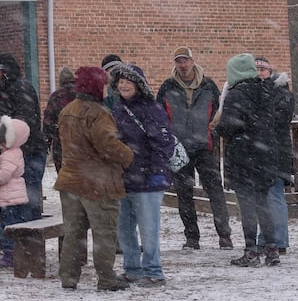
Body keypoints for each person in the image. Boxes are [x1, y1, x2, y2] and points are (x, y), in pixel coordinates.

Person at [53, 65, 135, 292]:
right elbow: (108, 145)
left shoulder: (68, 109)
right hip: (98, 182)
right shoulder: (97, 113)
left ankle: (68, 276)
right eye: (105, 84)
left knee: (74, 233)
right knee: (104, 232)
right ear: (97, 86)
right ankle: (106, 278)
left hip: (70, 180)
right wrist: (129, 155)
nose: (108, 89)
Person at [157, 46, 234, 250]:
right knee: (184, 195)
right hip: (179, 149)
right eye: (178, 61)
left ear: (192, 61)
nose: (182, 65)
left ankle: (224, 235)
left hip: (205, 147)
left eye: (185, 61)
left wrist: (212, 134)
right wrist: (168, 139)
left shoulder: (208, 86)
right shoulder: (167, 86)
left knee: (215, 193)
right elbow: (160, 116)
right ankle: (192, 237)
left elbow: (219, 113)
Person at [109, 62, 175, 286]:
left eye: (128, 81)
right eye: (120, 81)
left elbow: (164, 143)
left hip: (147, 180)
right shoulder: (117, 109)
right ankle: (132, 269)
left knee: (149, 230)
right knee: (125, 229)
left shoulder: (151, 109)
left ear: (139, 84)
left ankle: (154, 271)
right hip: (124, 179)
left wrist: (156, 171)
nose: (124, 85)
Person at [217, 53, 279, 267]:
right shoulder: (266, 91)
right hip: (265, 155)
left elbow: (229, 125)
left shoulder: (236, 94)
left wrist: (219, 129)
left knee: (247, 205)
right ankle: (272, 248)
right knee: (263, 203)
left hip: (243, 156)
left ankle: (251, 250)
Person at [0, 53, 47, 218]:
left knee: (26, 202)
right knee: (13, 201)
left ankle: (26, 240)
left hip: (28, 153)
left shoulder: (20, 90)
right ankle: (16, 238)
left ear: (6, 71)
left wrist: (5, 142)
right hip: (18, 154)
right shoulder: (4, 94)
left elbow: (24, 124)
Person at [0, 115, 32, 269]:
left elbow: (4, 175)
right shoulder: (15, 152)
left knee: (8, 227)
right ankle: (19, 252)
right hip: (14, 197)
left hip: (8, 198)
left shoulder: (9, 155)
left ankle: (10, 255)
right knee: (15, 224)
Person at [261, 61, 295, 256]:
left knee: (275, 196)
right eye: (256, 69)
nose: (260, 73)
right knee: (263, 198)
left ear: (270, 72)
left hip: (276, 153)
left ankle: (279, 240)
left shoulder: (282, 94)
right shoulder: (259, 93)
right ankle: (265, 238)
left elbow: (276, 120)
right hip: (263, 152)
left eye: (263, 69)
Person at [42, 66, 76, 175]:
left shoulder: (56, 97)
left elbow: (48, 121)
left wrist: (48, 140)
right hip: (80, 142)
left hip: (61, 141)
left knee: (63, 175)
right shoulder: (81, 94)